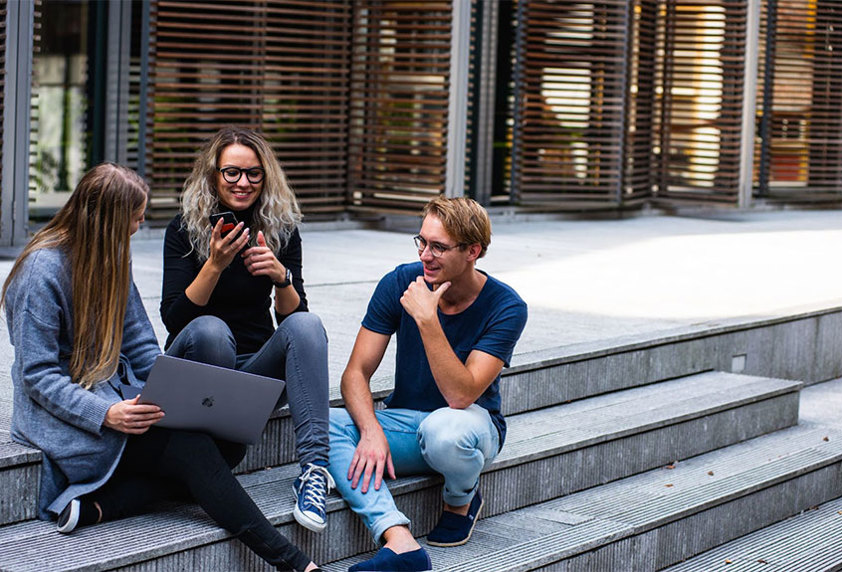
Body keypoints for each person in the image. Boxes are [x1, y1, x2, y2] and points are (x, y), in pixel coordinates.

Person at [2, 163, 323, 571]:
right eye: (135, 219)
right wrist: (106, 413)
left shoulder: (112, 256)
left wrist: (166, 391)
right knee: (194, 451)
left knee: (227, 446)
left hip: (120, 400)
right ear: (108, 219)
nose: (138, 227)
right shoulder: (40, 272)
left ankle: (104, 505)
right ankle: (293, 562)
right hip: (69, 416)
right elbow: (38, 375)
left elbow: (139, 343)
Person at [329, 197, 528, 571]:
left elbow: (461, 394)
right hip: (404, 422)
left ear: (473, 251)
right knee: (323, 425)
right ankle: (398, 539)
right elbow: (355, 372)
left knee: (445, 430)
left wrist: (428, 319)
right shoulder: (400, 281)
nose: (425, 255)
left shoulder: (507, 306)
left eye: (438, 246)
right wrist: (371, 430)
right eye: (421, 242)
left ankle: (460, 498)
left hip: (469, 425)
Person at [160, 126, 333, 533]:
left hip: (253, 375)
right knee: (211, 331)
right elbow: (175, 319)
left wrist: (281, 277)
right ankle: (207, 456)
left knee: (308, 325)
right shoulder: (184, 229)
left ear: (266, 176)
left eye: (254, 173)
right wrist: (215, 264)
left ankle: (313, 473)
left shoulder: (280, 229)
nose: (243, 183)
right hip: (198, 366)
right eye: (232, 172)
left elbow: (295, 323)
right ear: (213, 175)